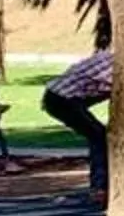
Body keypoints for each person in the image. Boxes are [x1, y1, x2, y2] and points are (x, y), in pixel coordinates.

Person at [41, 34, 115, 197]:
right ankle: (99, 186)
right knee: (99, 136)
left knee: (97, 134)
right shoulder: (114, 66)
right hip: (63, 100)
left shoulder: (106, 57)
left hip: (57, 95)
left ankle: (100, 184)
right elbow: (116, 84)